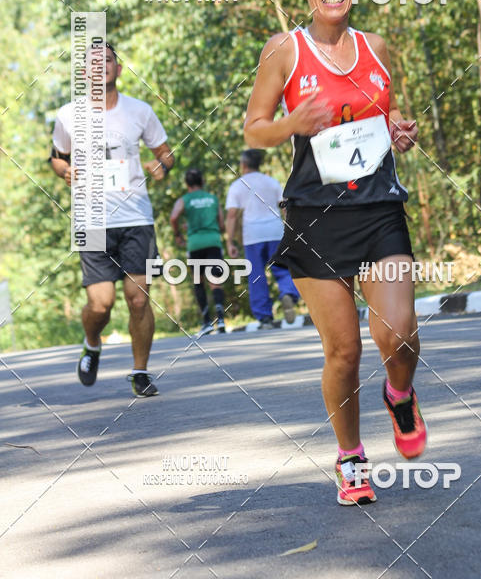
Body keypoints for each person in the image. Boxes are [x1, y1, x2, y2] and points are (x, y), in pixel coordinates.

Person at [243, 0, 425, 505]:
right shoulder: (284, 51)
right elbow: (254, 128)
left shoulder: (377, 47)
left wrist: (401, 130)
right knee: (343, 351)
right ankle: (350, 457)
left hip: (377, 209)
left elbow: (390, 114)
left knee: (398, 333)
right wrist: (293, 121)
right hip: (315, 217)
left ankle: (399, 394)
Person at [50, 41, 174, 397]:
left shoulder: (140, 111)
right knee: (100, 304)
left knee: (138, 298)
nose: (100, 65)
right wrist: (64, 171)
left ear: (118, 69)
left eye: (107, 59)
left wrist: (161, 164)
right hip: (92, 218)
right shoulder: (68, 115)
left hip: (136, 217)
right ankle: (92, 342)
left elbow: (166, 154)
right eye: (92, 62)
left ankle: (140, 372)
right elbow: (57, 157)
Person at [225, 149, 300, 329]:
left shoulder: (237, 185)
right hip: (275, 231)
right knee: (282, 269)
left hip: (253, 235)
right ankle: (288, 293)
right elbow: (285, 206)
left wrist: (230, 241)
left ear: (243, 165)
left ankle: (265, 317)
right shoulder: (271, 182)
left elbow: (232, 215)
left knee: (257, 276)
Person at [170, 168, 227, 335]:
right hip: (213, 241)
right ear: (202, 181)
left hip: (195, 244)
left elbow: (174, 217)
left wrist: (178, 234)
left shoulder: (184, 200)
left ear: (187, 184)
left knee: (198, 281)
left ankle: (207, 322)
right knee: (216, 281)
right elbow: (222, 225)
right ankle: (221, 320)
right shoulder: (212, 199)